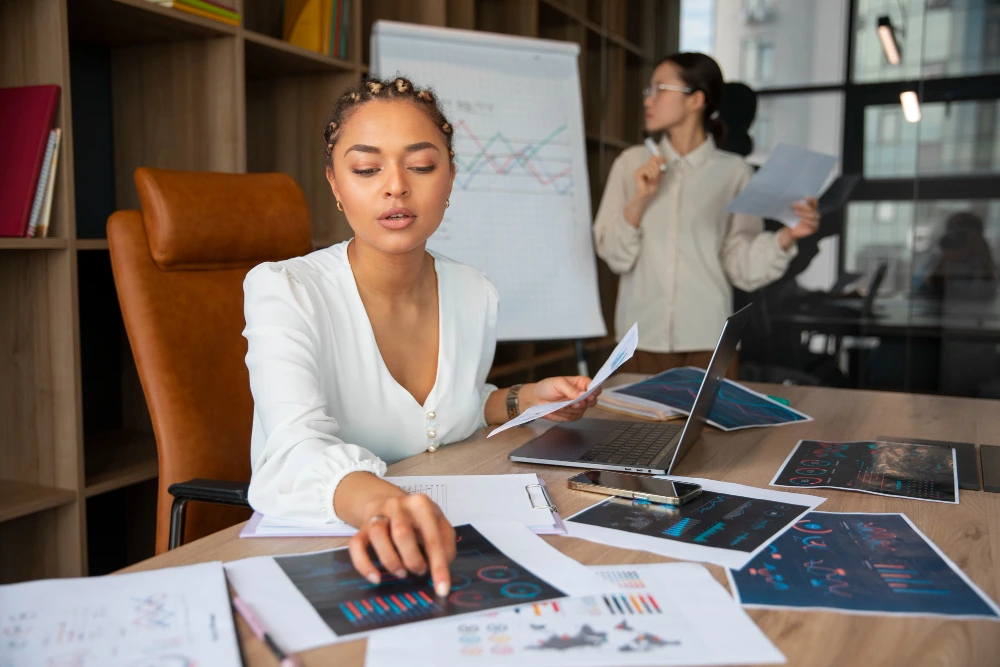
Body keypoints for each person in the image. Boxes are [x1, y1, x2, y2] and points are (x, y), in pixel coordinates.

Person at [241, 76, 599, 598]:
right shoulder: (285, 290)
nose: (395, 187)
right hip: (324, 546)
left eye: (422, 165)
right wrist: (380, 503)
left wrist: (524, 399)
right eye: (366, 169)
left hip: (445, 543)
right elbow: (293, 447)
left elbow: (447, 412)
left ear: (450, 178)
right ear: (336, 185)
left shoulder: (474, 291)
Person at [593, 52, 821, 378]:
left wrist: (787, 237)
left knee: (713, 430)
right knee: (637, 431)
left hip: (709, 343)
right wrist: (640, 200)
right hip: (639, 342)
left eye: (659, 89)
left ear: (696, 99)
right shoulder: (630, 164)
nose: (648, 100)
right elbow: (615, 257)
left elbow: (740, 265)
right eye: (649, 90)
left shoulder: (734, 172)